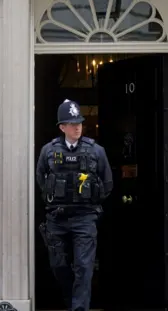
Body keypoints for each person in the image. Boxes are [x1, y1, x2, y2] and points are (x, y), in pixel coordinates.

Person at [36, 99, 113, 311]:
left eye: (79, 122)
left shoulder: (96, 151)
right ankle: (72, 300)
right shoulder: (48, 151)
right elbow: (42, 181)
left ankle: (79, 308)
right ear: (62, 127)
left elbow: (107, 183)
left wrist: (89, 202)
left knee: (84, 267)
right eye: (71, 123)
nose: (77, 127)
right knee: (58, 265)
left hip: (85, 217)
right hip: (57, 218)